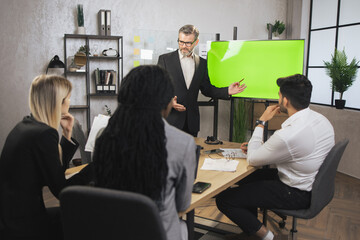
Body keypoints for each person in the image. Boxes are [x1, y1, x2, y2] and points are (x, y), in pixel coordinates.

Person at [216, 74, 335, 240]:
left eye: (279, 95)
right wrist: (255, 148)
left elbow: (253, 159)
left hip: (294, 192)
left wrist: (261, 121)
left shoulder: (289, 134)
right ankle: (250, 230)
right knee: (246, 178)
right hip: (308, 182)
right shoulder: (321, 120)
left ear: (285, 100)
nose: (278, 98)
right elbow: (288, 149)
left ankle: (267, 237)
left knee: (224, 199)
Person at [92, 65, 196, 240]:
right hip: (158, 233)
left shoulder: (105, 137)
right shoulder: (182, 143)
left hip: (111, 231)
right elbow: (182, 204)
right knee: (183, 227)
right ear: (166, 103)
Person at [0, 75, 92, 240]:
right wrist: (95, 167)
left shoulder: (24, 126)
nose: (69, 102)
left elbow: (54, 173)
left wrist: (67, 134)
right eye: (68, 98)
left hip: (9, 220)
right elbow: (61, 191)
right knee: (85, 223)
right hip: (25, 227)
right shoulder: (44, 134)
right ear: (58, 102)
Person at [158, 24, 247, 136]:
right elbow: (157, 88)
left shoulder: (202, 63)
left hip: (191, 123)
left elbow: (207, 89)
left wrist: (227, 91)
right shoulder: (165, 59)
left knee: (192, 153)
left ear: (196, 41)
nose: (184, 46)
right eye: (181, 42)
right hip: (170, 121)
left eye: (188, 43)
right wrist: (170, 101)